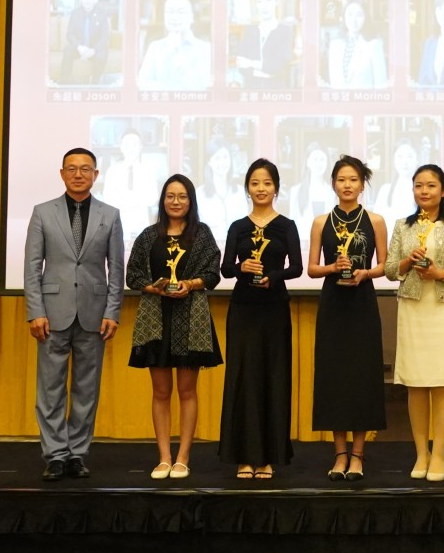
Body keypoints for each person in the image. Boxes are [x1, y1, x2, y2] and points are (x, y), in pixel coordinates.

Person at [24, 147, 124, 481]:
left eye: (85, 169)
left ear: (96, 174)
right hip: (52, 314)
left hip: (94, 315)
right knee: (50, 388)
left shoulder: (110, 215)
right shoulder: (42, 212)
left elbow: (116, 268)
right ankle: (55, 455)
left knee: (86, 389)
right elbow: (32, 267)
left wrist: (113, 311)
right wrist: (35, 311)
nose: (78, 174)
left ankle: (77, 454)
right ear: (62, 173)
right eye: (72, 168)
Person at [126, 174, 223, 480]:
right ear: (163, 200)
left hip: (190, 319)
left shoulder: (202, 234)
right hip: (155, 319)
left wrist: (190, 284)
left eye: (182, 196)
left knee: (187, 390)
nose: (176, 201)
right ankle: (164, 457)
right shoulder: (148, 236)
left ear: (191, 201)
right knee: (160, 391)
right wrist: (152, 287)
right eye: (170, 196)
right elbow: (132, 274)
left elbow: (213, 273)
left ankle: (183, 458)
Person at [386, 164, 444, 481]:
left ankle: (438, 454)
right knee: (416, 382)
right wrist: (407, 261)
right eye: (419, 185)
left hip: (443, 308)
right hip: (413, 308)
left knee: (441, 380)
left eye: (431, 185)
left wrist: (441, 273)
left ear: (443, 190)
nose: (424, 191)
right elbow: (389, 269)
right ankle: (421, 453)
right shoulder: (403, 226)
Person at [219, 159, 303, 479]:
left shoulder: (287, 226)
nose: (261, 188)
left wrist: (274, 276)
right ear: (247, 188)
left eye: (267, 183)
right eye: (255, 183)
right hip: (243, 310)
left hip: (274, 310)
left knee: (272, 378)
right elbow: (226, 268)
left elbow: (297, 267)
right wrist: (241, 268)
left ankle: (267, 456)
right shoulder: (238, 227)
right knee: (243, 379)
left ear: (276, 188)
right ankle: (244, 455)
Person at [308, 155, 388, 481]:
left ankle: (358, 455)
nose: (347, 185)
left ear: (362, 184)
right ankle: (339, 454)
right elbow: (312, 268)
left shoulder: (375, 220)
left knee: (361, 378)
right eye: (341, 179)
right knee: (334, 378)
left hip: (362, 304)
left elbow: (385, 265)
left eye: (353, 179)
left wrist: (365, 273)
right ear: (333, 184)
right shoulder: (320, 221)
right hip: (333, 305)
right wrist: (332, 268)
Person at [137, 0, 212, 91]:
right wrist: (170, 90)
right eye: (169, 12)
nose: (174, 17)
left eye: (181, 12)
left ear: (192, 17)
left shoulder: (205, 48)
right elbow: (142, 83)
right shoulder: (155, 47)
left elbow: (204, 86)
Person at [101, 129, 160, 241]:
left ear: (141, 147)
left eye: (135, 144)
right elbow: (108, 199)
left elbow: (153, 197)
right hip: (118, 223)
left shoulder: (148, 171)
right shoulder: (113, 171)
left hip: (141, 222)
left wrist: (125, 199)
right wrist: (138, 198)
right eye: (127, 144)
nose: (131, 148)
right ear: (121, 147)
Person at [237, 0, 295, 89]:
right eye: (259, 1)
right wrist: (266, 73)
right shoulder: (249, 31)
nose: (264, 6)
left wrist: (251, 63)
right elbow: (241, 66)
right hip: (251, 91)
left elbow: (276, 66)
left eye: (268, 0)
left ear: (276, 1)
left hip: (275, 93)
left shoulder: (286, 31)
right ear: (256, 4)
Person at [194, 138, 247, 243]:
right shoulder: (199, 194)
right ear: (209, 162)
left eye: (225, 157)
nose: (222, 163)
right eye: (217, 158)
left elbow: (245, 229)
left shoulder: (240, 192)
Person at [327, 0, 388, 89]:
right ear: (344, 17)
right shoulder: (335, 46)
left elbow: (381, 86)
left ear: (366, 18)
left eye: (359, 15)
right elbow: (334, 84)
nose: (354, 20)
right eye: (350, 14)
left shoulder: (374, 45)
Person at [59, 0, 110, 84]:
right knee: (68, 50)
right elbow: (70, 34)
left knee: (102, 54)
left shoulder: (102, 14)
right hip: (79, 48)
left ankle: (95, 83)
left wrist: (93, 50)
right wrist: (79, 47)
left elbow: (105, 36)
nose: (87, 0)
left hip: (94, 48)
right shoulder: (75, 13)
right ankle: (65, 81)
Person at [287, 142, 336, 227]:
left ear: (327, 163)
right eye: (315, 159)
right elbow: (292, 226)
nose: (318, 164)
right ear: (308, 162)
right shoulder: (296, 191)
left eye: (322, 159)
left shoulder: (333, 192)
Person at [372, 139, 420, 220]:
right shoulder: (385, 190)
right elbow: (375, 222)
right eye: (400, 156)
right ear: (394, 160)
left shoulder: (423, 192)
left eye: (409, 156)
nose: (405, 162)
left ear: (417, 160)